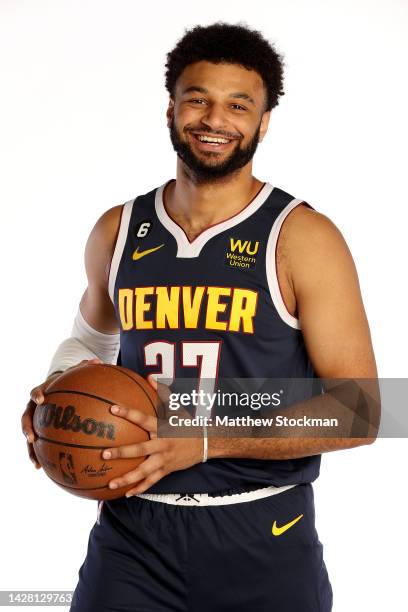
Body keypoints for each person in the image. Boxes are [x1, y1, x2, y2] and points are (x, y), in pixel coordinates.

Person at [22, 22, 379, 612]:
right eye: (198, 100)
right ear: (171, 109)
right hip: (132, 536)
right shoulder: (119, 228)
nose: (215, 120)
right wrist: (57, 396)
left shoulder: (302, 238)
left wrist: (203, 435)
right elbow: (89, 339)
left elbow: (363, 406)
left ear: (263, 122)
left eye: (238, 105)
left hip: (263, 531)